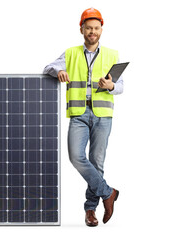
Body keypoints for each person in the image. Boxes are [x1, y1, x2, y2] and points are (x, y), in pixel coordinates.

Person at [43, 7, 123, 226]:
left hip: (103, 115)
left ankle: (90, 211)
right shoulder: (70, 53)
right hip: (79, 114)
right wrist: (56, 71)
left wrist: (111, 85)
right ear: (82, 29)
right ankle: (108, 193)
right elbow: (48, 67)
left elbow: (120, 86)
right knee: (76, 157)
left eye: (96, 28)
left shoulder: (111, 55)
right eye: (88, 28)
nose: (92, 32)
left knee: (97, 162)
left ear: (101, 30)